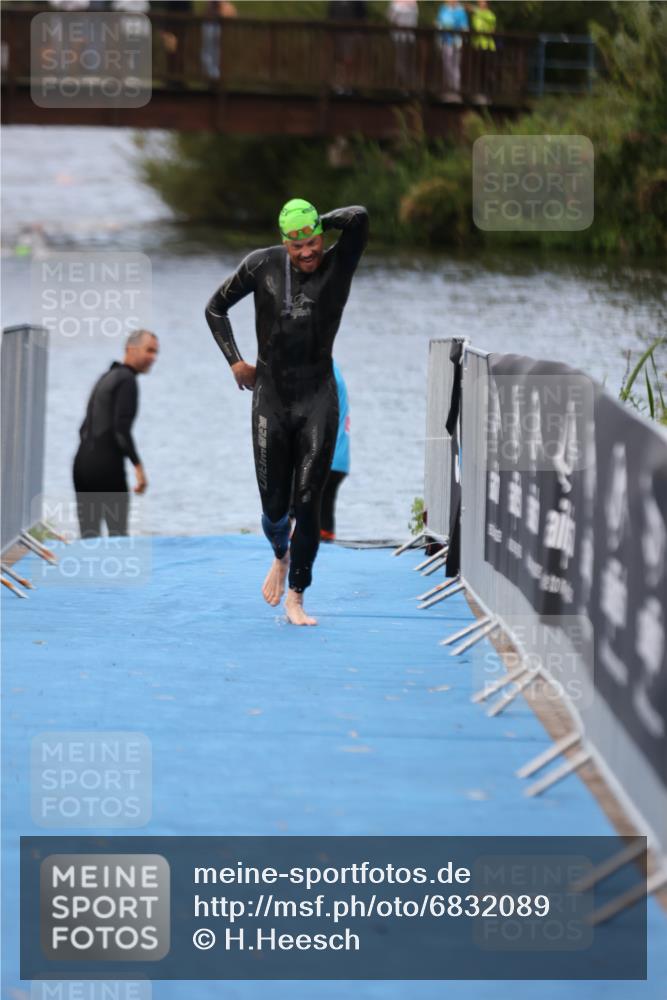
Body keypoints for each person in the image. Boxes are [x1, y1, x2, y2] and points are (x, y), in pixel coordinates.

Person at [205, 199, 368, 626]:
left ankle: (297, 595)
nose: (308, 252)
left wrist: (317, 222)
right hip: (270, 401)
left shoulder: (339, 264)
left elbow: (359, 218)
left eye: (313, 242)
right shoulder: (261, 265)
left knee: (309, 501)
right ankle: (281, 553)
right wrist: (236, 362)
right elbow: (215, 308)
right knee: (274, 509)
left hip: (317, 399)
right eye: (297, 246)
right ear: (283, 243)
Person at [72, 329, 158, 538]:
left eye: (155, 352)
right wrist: (138, 468)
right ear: (131, 349)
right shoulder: (127, 380)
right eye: (149, 350)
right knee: (118, 538)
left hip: (82, 466)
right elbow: (121, 430)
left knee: (88, 538)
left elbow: (83, 428)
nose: (153, 357)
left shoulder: (107, 377)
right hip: (107, 468)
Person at [320, 361, 350, 542]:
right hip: (339, 458)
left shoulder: (326, 373)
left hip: (327, 457)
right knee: (324, 520)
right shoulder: (333, 370)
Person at [435, 0, 468, 99]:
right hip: (445, 41)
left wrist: (462, 34)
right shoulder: (443, 9)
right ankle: (447, 88)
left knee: (455, 66)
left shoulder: (460, 11)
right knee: (446, 65)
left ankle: (455, 89)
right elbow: (439, 22)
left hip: (456, 42)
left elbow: (464, 27)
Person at [387, 0, 419, 91]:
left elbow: (390, 17)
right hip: (408, 37)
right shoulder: (413, 4)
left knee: (401, 62)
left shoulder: (396, 4)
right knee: (407, 62)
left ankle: (405, 86)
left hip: (400, 36)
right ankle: (408, 86)